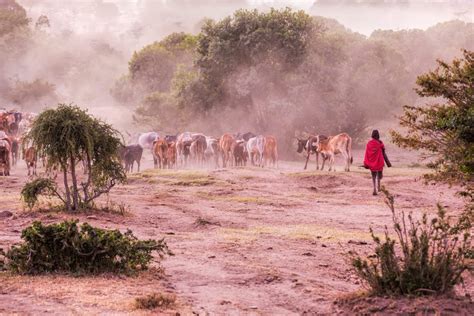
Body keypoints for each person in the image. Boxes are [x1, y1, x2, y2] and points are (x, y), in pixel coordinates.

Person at [363, 130, 391, 195]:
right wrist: (388, 163)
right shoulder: (380, 142)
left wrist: (366, 162)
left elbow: (367, 153)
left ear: (372, 135)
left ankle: (374, 189)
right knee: (379, 175)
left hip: (372, 162)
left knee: (373, 175)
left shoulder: (369, 143)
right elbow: (383, 153)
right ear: (378, 135)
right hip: (379, 161)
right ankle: (378, 187)